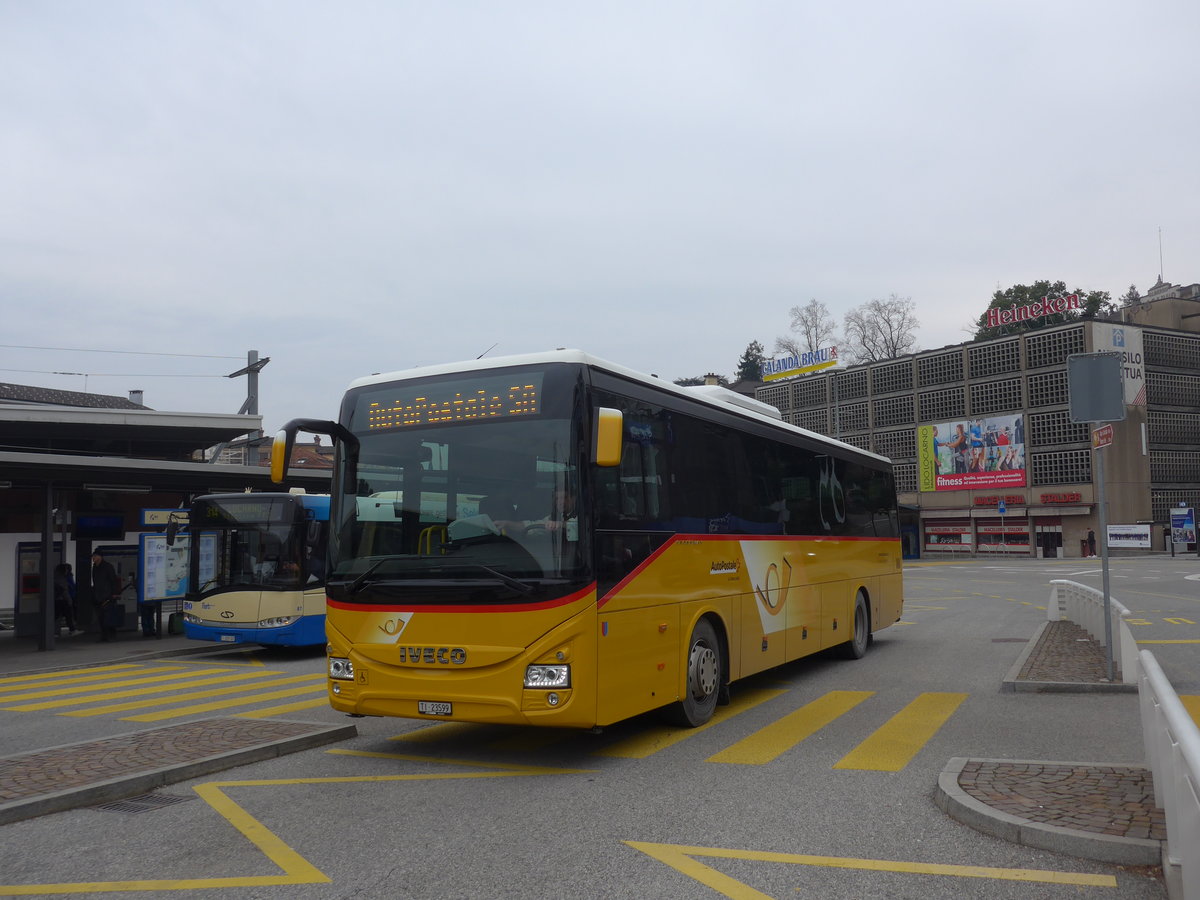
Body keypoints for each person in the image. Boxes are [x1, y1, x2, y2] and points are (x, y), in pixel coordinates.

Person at [91, 549, 121, 642]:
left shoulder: (108, 567)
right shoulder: (94, 568)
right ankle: (104, 635)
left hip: (108, 596)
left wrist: (114, 593)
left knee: (108, 616)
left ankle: (110, 634)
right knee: (101, 617)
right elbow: (95, 582)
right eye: (93, 556)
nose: (93, 558)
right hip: (98, 596)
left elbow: (113, 580)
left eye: (95, 556)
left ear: (100, 557)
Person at [53, 564, 80, 635]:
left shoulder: (54, 576)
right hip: (62, 600)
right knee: (68, 615)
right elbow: (64, 590)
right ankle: (72, 630)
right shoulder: (62, 578)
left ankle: (71, 629)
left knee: (57, 616)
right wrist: (69, 600)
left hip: (57, 599)